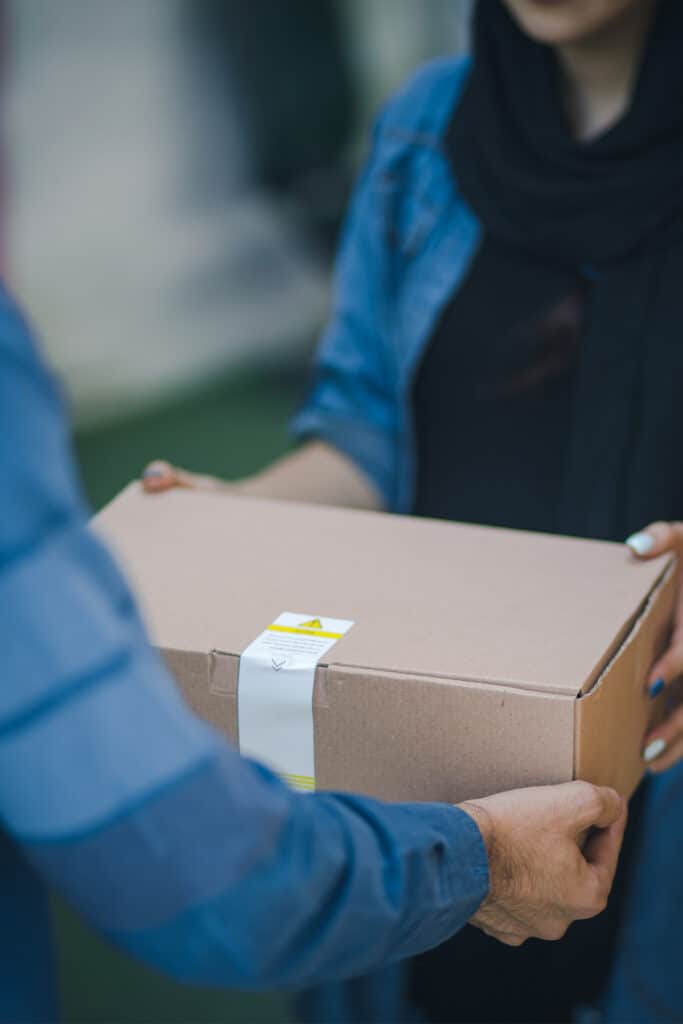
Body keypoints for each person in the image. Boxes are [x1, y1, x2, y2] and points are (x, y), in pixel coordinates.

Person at [144, 0, 683, 1019]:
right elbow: (363, 442)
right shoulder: (424, 128)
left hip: (654, 783)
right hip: (426, 760)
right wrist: (214, 520)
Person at [0, 285, 628, 1024]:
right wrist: (485, 859)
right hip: (425, 810)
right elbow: (214, 880)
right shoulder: (421, 168)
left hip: (598, 692)